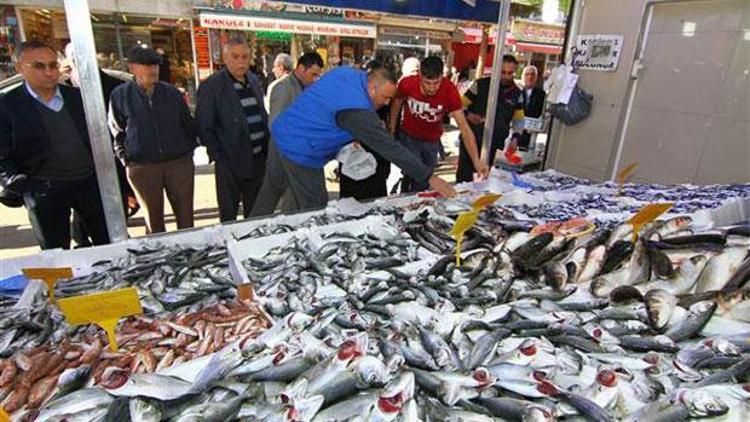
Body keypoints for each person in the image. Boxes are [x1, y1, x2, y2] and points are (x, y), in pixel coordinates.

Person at [251, 67, 456, 217]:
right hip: (301, 150)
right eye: (385, 98)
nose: (386, 103)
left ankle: (244, 232)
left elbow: (326, 104)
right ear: (372, 88)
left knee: (271, 189)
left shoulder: (348, 73)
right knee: (316, 209)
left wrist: (350, 136)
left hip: (281, 132)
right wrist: (428, 176)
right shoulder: (357, 111)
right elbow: (390, 148)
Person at [0, 40, 109, 249]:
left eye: (53, 65)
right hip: (44, 190)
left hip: (90, 184)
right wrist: (19, 184)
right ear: (19, 68)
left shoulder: (77, 98)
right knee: (56, 253)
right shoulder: (8, 105)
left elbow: (102, 139)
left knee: (109, 245)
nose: (49, 72)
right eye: (39, 66)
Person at [108, 46, 196, 234]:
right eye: (146, 65)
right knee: (153, 222)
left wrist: (188, 154)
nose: (152, 70)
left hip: (178, 163)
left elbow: (187, 124)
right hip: (143, 166)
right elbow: (117, 131)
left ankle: (191, 257)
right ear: (132, 68)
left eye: (155, 65)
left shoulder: (172, 93)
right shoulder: (121, 95)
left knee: (186, 219)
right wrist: (128, 160)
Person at [63, 42, 139, 247]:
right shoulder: (63, 90)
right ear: (68, 60)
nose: (79, 60)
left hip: (113, 163)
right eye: (74, 57)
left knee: (116, 218)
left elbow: (126, 130)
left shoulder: (115, 87)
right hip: (76, 169)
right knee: (82, 225)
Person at [389, 56, 488, 192]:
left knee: (424, 180)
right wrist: (392, 126)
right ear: (419, 76)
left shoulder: (450, 90)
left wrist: (476, 160)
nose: (431, 88)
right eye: (427, 83)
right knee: (414, 175)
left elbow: (464, 128)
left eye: (436, 83)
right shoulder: (407, 83)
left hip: (432, 141)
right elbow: (397, 102)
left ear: (442, 76)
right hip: (409, 137)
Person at [196, 38, 269, 222]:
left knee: (255, 214)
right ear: (225, 58)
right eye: (235, 56)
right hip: (230, 163)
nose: (241, 61)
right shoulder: (211, 86)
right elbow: (204, 126)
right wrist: (220, 157)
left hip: (257, 160)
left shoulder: (253, 80)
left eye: (245, 56)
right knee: (229, 216)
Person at [456, 54, 525, 182]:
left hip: (496, 143)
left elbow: (519, 120)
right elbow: (458, 106)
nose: (506, 76)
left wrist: (515, 138)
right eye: (503, 72)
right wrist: (469, 115)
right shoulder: (480, 84)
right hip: (472, 140)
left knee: (486, 180)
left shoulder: (517, 93)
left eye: (510, 73)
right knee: (464, 179)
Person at [338, 59, 392, 201]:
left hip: (376, 149)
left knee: (375, 192)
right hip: (355, 149)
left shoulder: (385, 97)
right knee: (353, 194)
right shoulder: (350, 97)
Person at [519, 65, 546, 150]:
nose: (530, 77)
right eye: (527, 74)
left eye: (532, 74)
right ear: (523, 77)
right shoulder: (516, 93)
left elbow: (543, 114)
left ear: (536, 77)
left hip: (533, 134)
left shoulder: (542, 95)